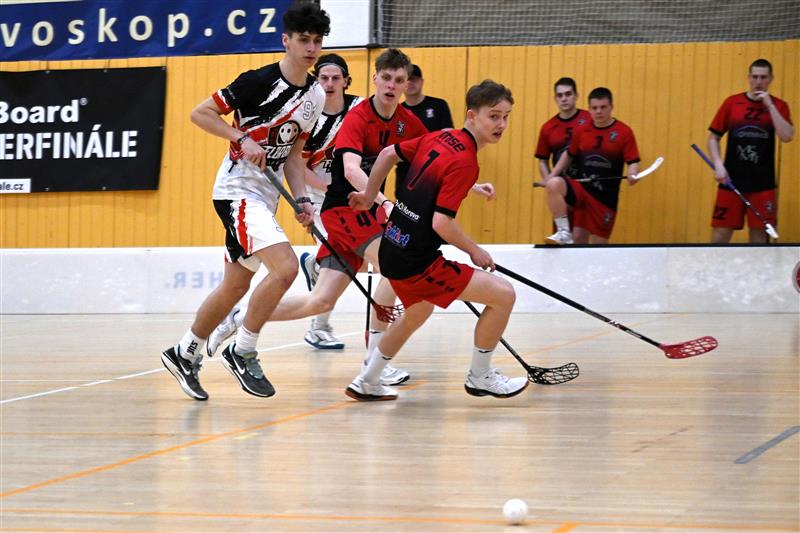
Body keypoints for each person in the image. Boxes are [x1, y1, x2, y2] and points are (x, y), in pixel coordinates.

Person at [208, 48, 428, 387]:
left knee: (320, 300)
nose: (391, 85)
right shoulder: (355, 115)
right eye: (386, 78)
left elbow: (432, 158)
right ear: (375, 79)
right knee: (394, 265)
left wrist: (467, 184)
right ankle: (375, 363)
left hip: (366, 211)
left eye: (399, 80)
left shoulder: (401, 120)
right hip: (344, 211)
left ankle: (244, 315)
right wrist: (383, 201)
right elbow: (344, 169)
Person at [159, 2, 329, 401]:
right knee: (286, 269)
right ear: (286, 40)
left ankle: (184, 352)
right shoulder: (258, 81)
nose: (310, 48)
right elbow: (200, 114)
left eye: (317, 41)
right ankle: (243, 349)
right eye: (303, 40)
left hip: (266, 198)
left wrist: (302, 200)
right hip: (236, 191)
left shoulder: (316, 95)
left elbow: (294, 155)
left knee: (235, 285)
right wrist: (241, 138)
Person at [345, 79, 527, 402]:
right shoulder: (467, 161)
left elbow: (387, 154)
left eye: (506, 117)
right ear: (472, 116)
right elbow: (441, 223)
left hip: (392, 246)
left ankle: (367, 380)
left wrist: (371, 195)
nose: (501, 124)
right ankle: (481, 376)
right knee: (503, 295)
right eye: (494, 116)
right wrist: (475, 250)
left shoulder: (441, 136)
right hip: (416, 262)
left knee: (417, 313)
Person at [707, 58, 793, 243]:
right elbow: (713, 138)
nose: (758, 82)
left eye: (763, 77)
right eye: (755, 77)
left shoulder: (779, 106)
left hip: (763, 183)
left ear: (771, 79)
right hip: (731, 181)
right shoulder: (732, 103)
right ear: (748, 78)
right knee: (720, 234)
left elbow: (787, 136)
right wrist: (718, 165)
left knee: (759, 237)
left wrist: (769, 105)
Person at [543, 87, 640, 245]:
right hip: (583, 192)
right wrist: (551, 175)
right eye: (594, 108)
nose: (599, 111)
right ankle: (563, 232)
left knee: (598, 246)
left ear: (611, 107)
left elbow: (633, 160)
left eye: (603, 107)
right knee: (554, 185)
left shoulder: (624, 132)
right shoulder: (582, 130)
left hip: (605, 198)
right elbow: (569, 154)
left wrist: (633, 173)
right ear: (589, 109)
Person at [395, 64, 454, 195]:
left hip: (434, 171)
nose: (410, 83)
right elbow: (397, 143)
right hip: (406, 174)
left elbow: (448, 137)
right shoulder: (397, 112)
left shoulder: (438, 105)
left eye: (413, 79)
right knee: (403, 207)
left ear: (421, 82)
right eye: (406, 79)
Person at [534, 77, 591, 186]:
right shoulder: (548, 127)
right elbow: (542, 161)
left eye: (568, 94)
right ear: (555, 99)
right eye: (560, 95)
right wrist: (550, 182)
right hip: (563, 187)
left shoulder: (590, 119)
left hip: (589, 185)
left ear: (576, 96)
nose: (564, 99)